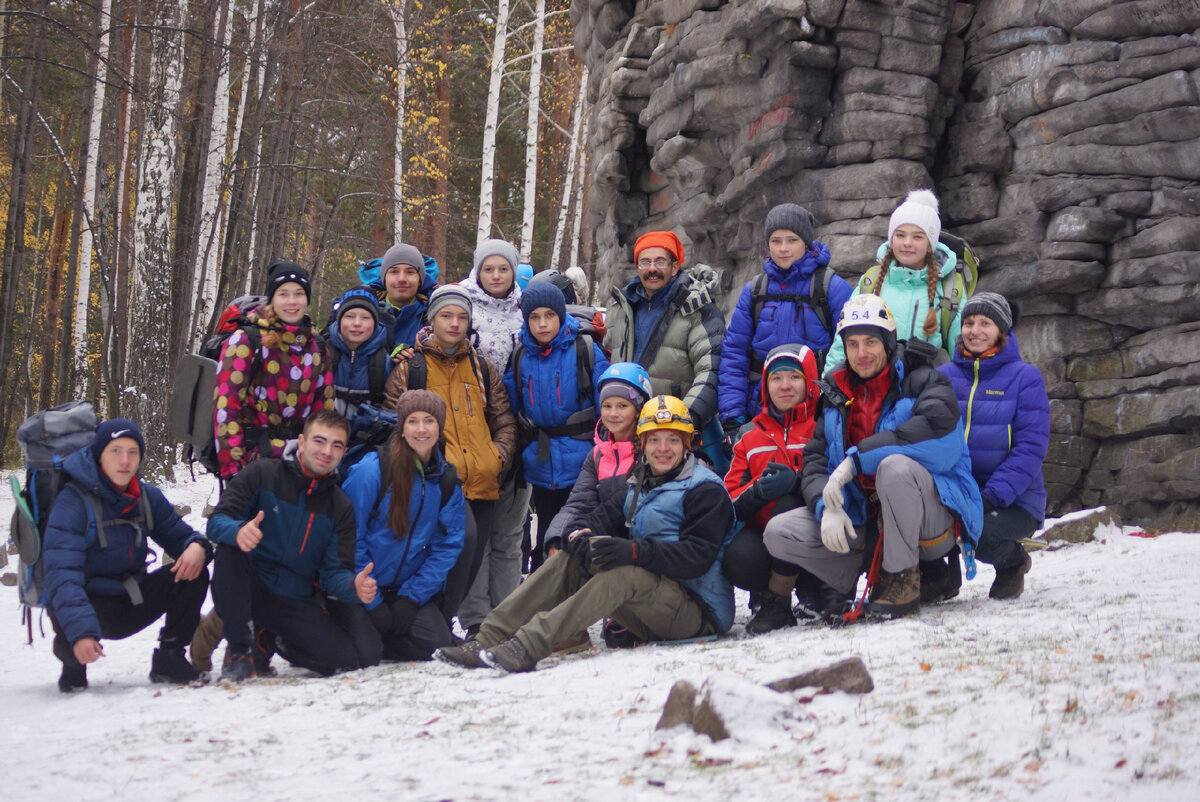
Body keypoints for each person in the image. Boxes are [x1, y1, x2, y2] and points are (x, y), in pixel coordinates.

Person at [435, 395, 736, 673]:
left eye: (673, 439)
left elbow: (697, 557)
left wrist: (634, 552)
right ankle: (487, 638)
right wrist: (579, 535)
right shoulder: (641, 481)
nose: (663, 448)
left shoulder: (704, 489)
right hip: (652, 603)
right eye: (654, 439)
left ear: (687, 444)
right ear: (642, 443)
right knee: (575, 555)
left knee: (623, 574)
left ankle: (527, 646)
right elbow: (600, 517)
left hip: (698, 614)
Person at [755, 295, 982, 631]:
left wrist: (856, 462)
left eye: (871, 342)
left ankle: (901, 581)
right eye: (853, 344)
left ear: (889, 343)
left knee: (894, 467)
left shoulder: (924, 376)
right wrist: (824, 506)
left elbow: (939, 439)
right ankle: (845, 581)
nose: (862, 353)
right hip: (866, 517)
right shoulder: (835, 390)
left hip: (932, 519)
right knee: (779, 532)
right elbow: (816, 458)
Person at [208, 410, 382, 681]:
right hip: (247, 587)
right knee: (230, 549)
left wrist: (354, 587)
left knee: (347, 659)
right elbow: (217, 522)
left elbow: (334, 573)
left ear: (344, 451)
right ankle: (240, 651)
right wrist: (238, 531)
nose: (326, 451)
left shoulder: (340, 507)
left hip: (293, 599)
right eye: (319, 441)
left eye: (336, 445)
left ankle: (268, 639)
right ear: (301, 442)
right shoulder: (262, 473)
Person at [42, 419, 212, 692]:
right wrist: (81, 634)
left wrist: (197, 546)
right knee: (59, 597)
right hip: (89, 604)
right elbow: (62, 577)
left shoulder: (147, 498)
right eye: (115, 451)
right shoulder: (72, 503)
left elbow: (181, 536)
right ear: (99, 455)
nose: (124, 460)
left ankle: (169, 659)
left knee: (194, 571)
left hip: (131, 599)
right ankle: (73, 665)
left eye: (132, 452)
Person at [382, 285, 517, 625]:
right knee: (455, 549)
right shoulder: (410, 368)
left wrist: (496, 458)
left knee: (473, 557)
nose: (455, 324)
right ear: (432, 319)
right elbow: (392, 423)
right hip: (441, 481)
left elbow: (504, 420)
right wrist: (427, 467)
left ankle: (463, 625)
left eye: (462, 317)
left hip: (485, 477)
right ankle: (438, 620)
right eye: (446, 316)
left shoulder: (483, 368)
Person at [937, 292, 1049, 600]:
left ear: (1002, 330)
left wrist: (990, 497)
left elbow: (1030, 448)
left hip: (1012, 500)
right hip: (958, 491)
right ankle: (938, 576)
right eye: (969, 322)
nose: (975, 331)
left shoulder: (1024, 378)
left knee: (981, 531)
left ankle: (1012, 562)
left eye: (985, 323)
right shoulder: (943, 376)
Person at [342, 391, 467, 660]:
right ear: (401, 426)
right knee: (363, 653)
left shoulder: (444, 480)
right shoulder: (372, 471)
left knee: (436, 643)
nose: (421, 429)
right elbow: (349, 536)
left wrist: (412, 598)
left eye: (429, 421)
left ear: (439, 426)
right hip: (364, 587)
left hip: (404, 591)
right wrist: (372, 601)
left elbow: (448, 544)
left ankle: (380, 634)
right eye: (412, 421)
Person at [717, 204, 852, 433]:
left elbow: (849, 352)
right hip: (760, 410)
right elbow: (734, 355)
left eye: (792, 240)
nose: (783, 248)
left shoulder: (831, 288)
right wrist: (732, 415)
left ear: (806, 242)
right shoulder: (755, 291)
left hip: (816, 411)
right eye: (775, 241)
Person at [504, 282, 610, 572]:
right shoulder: (521, 356)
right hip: (540, 459)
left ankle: (577, 587)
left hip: (583, 461)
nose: (542, 323)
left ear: (561, 315)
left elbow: (606, 402)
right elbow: (511, 406)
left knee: (578, 527)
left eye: (549, 315)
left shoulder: (583, 349)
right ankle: (542, 586)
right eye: (534, 317)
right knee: (546, 526)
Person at [456, 239, 533, 636]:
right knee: (478, 535)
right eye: (489, 269)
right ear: (478, 271)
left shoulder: (529, 308)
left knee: (510, 532)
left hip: (520, 431)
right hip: (472, 431)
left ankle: (506, 614)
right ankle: (474, 618)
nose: (497, 276)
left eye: (504, 269)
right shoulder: (459, 304)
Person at [603, 231, 727, 471]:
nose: (652, 269)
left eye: (660, 261)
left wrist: (682, 423)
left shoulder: (697, 308)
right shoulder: (624, 309)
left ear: (675, 266)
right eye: (645, 262)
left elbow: (711, 371)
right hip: (632, 435)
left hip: (679, 436)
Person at [721, 344, 822, 624]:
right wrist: (757, 491)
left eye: (794, 377)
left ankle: (811, 589)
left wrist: (797, 482)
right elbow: (729, 501)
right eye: (776, 378)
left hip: (815, 532)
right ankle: (767, 594)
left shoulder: (822, 426)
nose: (785, 386)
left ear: (809, 381)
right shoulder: (749, 435)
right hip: (764, 534)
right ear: (766, 385)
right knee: (738, 558)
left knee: (789, 505)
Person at [213, 260, 334, 478]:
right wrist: (234, 472)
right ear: (272, 299)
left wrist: (322, 464)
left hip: (301, 465)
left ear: (307, 299)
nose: (292, 301)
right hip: (255, 462)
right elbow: (226, 409)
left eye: (299, 294)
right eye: (283, 294)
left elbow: (323, 414)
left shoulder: (317, 347)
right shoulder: (246, 341)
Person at [824, 188, 964, 373]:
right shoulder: (870, 283)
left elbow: (963, 352)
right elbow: (843, 344)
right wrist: (828, 388)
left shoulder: (949, 288)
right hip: (875, 394)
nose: (907, 243)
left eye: (917, 237)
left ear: (930, 244)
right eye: (900, 235)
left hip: (929, 395)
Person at [324, 285, 393, 418]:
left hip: (367, 437)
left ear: (375, 322)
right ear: (339, 320)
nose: (357, 323)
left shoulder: (385, 363)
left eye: (365, 318)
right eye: (349, 316)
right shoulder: (323, 354)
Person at [379, 242, 438, 353]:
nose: (402, 279)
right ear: (384, 278)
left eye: (410, 272)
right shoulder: (367, 315)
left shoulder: (434, 317)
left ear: (420, 280)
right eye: (394, 272)